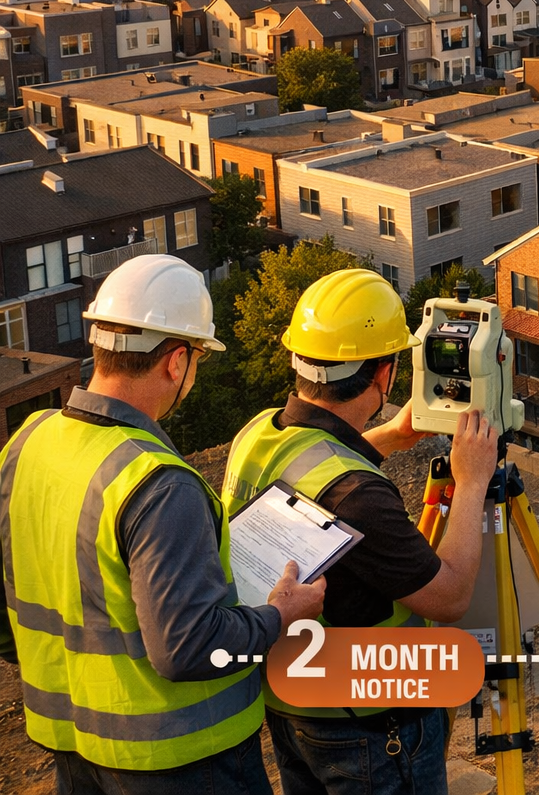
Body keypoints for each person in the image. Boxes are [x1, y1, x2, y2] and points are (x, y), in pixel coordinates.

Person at [0, 254, 327, 795]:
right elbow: (191, 649)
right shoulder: (158, 483)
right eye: (197, 358)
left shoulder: (27, 442)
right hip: (183, 762)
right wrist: (279, 616)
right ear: (177, 362)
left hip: (73, 746)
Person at [223, 268, 499, 795]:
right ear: (384, 374)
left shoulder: (260, 433)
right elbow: (452, 594)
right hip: (369, 727)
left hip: (292, 705)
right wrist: (471, 480)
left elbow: (316, 481)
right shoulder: (359, 497)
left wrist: (391, 438)